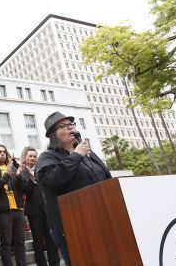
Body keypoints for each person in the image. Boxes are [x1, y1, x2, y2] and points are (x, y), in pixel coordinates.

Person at [36, 111, 112, 266]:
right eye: (63, 126)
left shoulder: (88, 153)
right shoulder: (48, 157)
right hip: (72, 226)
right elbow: (49, 180)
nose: (70, 128)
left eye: (71, 124)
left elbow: (105, 178)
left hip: (101, 218)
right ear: (53, 134)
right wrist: (76, 156)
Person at [0, 144, 27, 266]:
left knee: (20, 242)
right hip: (3, 211)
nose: (2, 153)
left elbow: (22, 189)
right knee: (6, 242)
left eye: (4, 151)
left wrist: (18, 177)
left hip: (18, 209)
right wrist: (6, 176)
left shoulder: (13, 168)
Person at [17, 147, 59, 266]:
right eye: (30, 156)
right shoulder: (21, 172)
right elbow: (23, 190)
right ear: (25, 157)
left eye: (34, 156)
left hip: (47, 209)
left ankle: (55, 263)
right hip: (33, 211)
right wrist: (30, 180)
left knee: (51, 239)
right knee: (38, 241)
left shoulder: (41, 169)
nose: (32, 158)